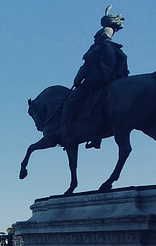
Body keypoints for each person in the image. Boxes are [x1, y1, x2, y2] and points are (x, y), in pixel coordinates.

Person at [60, 5, 128, 148]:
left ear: (100, 35)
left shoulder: (97, 48)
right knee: (98, 104)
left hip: (96, 79)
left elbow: (86, 66)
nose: (95, 37)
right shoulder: (117, 49)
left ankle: (65, 131)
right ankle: (96, 138)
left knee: (70, 102)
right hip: (112, 80)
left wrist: (77, 80)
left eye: (96, 36)